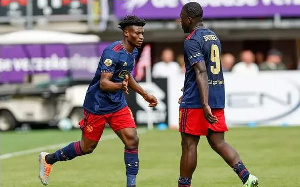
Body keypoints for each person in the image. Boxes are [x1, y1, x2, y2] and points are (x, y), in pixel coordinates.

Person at [38, 15, 158, 187]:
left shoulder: (133, 52)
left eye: (142, 34)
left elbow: (126, 75)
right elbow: (104, 83)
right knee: (87, 147)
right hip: (97, 105)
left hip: (117, 105)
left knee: (132, 139)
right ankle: (48, 158)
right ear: (126, 33)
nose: (141, 37)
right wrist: (120, 87)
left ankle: (131, 184)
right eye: (137, 33)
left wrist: (144, 94)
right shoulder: (112, 52)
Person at [178, 2, 258, 187]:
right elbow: (207, 71)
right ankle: (247, 177)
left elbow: (201, 71)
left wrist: (203, 103)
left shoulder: (191, 39)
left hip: (198, 102)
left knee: (189, 145)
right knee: (218, 141)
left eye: (182, 18)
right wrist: (190, 89)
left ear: (189, 19)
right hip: (216, 96)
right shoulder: (213, 36)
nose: (180, 21)